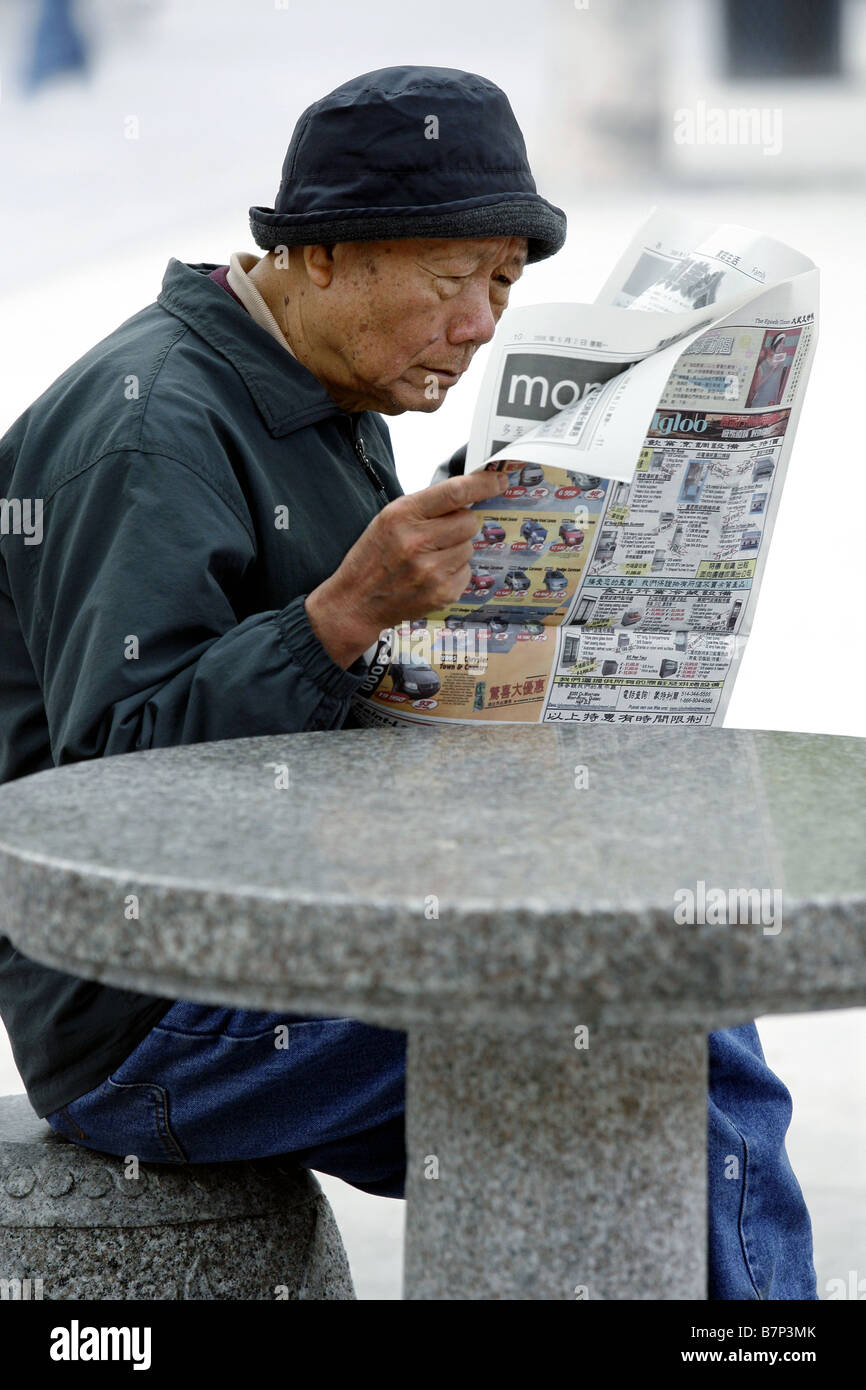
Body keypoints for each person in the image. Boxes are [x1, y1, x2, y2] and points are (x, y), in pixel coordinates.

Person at [0, 65, 816, 1300]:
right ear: (319, 256)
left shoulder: (329, 384)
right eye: (451, 279)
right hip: (153, 1010)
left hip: (311, 918)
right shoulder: (151, 425)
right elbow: (115, 784)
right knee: (662, 1044)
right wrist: (340, 613)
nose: (481, 324)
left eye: (503, 284)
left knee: (653, 1012)